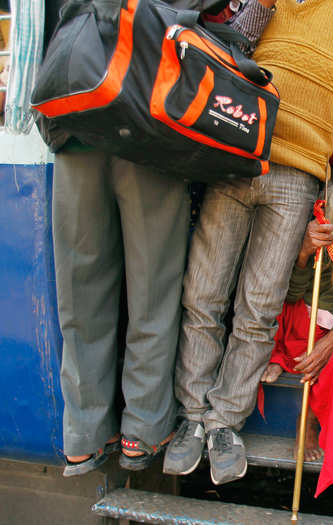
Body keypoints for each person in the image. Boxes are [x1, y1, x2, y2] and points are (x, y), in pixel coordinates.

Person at [165, 0, 333, 486]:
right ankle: (192, 418)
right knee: (203, 295)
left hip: (300, 173)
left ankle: (223, 424)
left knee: (258, 306)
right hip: (239, 151)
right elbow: (230, 41)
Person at [39, 0, 191, 476]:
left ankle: (84, 435)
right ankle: (142, 429)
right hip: (145, 127)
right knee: (152, 288)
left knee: (80, 291)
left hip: (76, 123)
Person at [259, 126, 333, 497]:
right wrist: (305, 252)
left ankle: (312, 420)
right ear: (331, 172)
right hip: (299, 323)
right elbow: (288, 292)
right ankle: (279, 358)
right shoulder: (313, 216)